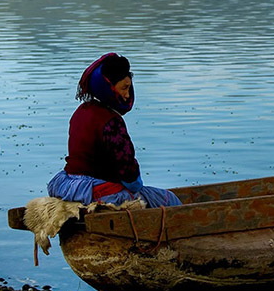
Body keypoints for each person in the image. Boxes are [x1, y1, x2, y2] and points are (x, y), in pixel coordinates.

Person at [47, 53, 181, 208]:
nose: (127, 95)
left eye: (129, 88)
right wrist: (136, 187)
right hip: (94, 190)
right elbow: (129, 174)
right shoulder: (111, 121)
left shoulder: (81, 111)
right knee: (170, 200)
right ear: (108, 87)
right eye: (124, 88)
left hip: (68, 185)